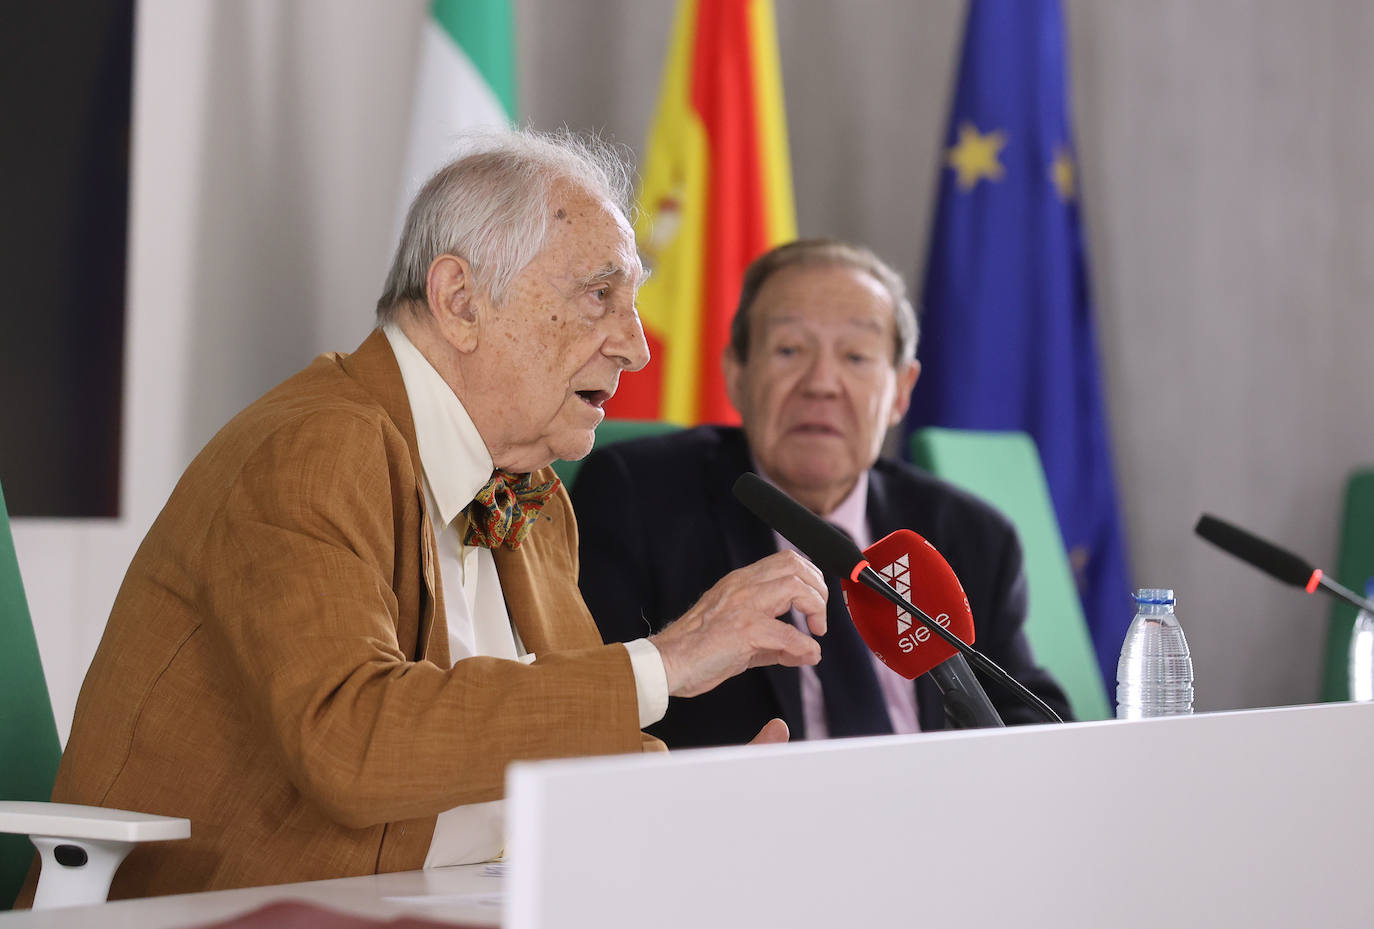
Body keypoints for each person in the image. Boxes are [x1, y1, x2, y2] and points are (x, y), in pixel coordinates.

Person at [21, 131, 829, 902]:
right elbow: (352, 741)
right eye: (598, 295)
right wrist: (666, 659)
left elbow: (567, 739)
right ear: (459, 300)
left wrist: (691, 804)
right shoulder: (312, 447)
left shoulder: (534, 493)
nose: (636, 345)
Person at [574, 239, 1072, 748]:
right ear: (737, 375)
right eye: (790, 350)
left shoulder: (969, 534)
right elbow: (593, 704)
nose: (822, 383)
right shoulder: (641, 499)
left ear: (901, 390)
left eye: (856, 356)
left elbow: (1033, 723)